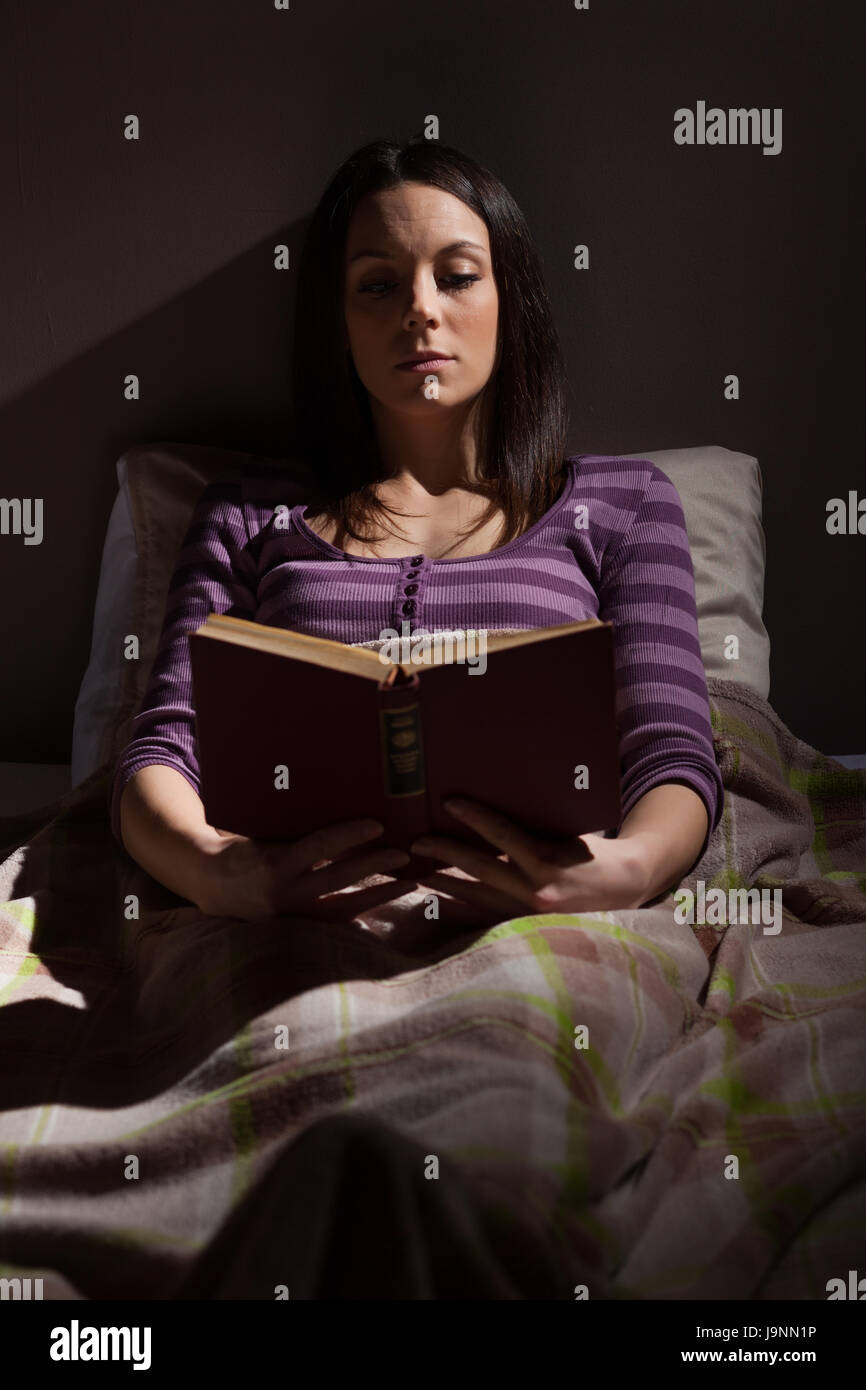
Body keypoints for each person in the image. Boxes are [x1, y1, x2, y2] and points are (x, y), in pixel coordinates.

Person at [110, 138, 723, 937]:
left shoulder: (623, 504)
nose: (421, 309)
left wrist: (629, 872)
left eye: (458, 275)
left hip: (547, 930)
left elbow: (671, 749)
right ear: (339, 323)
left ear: (512, 298)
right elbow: (163, 747)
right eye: (378, 284)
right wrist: (216, 872)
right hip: (294, 932)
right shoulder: (246, 512)